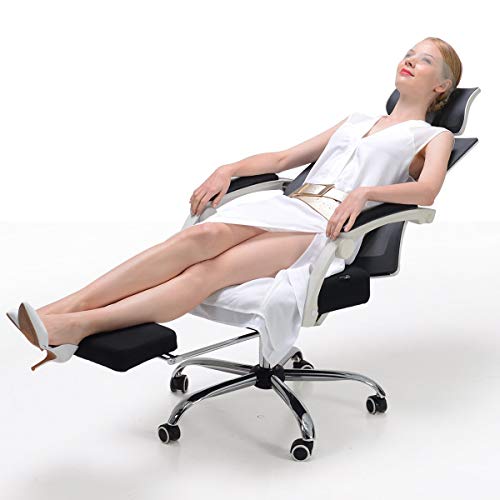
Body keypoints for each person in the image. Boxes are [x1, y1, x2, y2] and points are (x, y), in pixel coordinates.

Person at [9, 36, 460, 371]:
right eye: (409, 53)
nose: (409, 61)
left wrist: (366, 193)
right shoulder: (357, 120)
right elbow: (283, 159)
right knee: (199, 236)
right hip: (290, 206)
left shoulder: (433, 136)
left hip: (324, 228)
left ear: (442, 86)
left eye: (424, 60)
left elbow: (427, 191)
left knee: (208, 273)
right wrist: (228, 168)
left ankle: (77, 328)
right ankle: (60, 310)